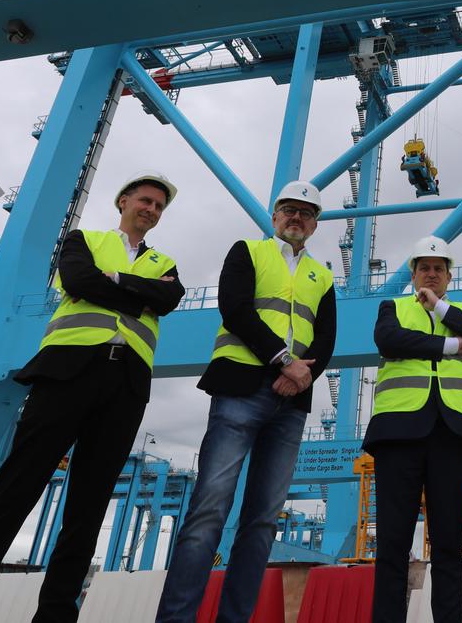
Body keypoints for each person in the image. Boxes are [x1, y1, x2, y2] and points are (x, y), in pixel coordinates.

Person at [0, 171, 184, 623]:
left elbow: (168, 299)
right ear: (123, 201)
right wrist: (137, 293)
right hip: (66, 374)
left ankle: (57, 616)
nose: (152, 210)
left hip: (125, 386)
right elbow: (79, 281)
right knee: (14, 492)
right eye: (145, 200)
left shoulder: (166, 261)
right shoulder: (85, 240)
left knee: (88, 507)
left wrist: (114, 280)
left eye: (159, 206)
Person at [156, 180, 338, 623]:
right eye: (289, 209)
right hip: (241, 386)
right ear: (274, 216)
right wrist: (285, 362)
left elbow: (327, 338)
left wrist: (302, 377)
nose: (297, 218)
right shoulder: (248, 252)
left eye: (306, 212)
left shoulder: (324, 276)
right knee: (209, 510)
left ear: (315, 225)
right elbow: (235, 309)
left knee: (263, 522)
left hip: (291, 402)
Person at [364, 235, 462, 623]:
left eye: (439, 269)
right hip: (398, 433)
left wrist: (439, 307)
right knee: (392, 541)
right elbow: (389, 340)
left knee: (448, 543)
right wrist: (451, 346)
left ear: (449, 277)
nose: (432, 273)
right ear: (413, 274)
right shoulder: (393, 307)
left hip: (451, 434)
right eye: (425, 268)